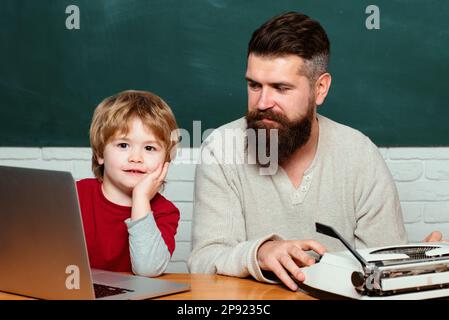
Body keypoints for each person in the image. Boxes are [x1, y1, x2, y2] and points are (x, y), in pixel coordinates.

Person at [188, 12, 442, 291]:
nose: (262, 102)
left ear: (320, 89)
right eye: (254, 85)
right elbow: (203, 260)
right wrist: (260, 253)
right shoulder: (221, 149)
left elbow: (382, 268)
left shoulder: (360, 155)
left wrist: (416, 269)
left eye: (281, 88)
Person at [77, 90, 180, 277]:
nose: (136, 158)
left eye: (149, 148)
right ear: (100, 153)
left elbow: (148, 270)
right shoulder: (74, 196)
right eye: (123, 145)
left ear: (165, 161)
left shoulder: (165, 212)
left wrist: (140, 198)